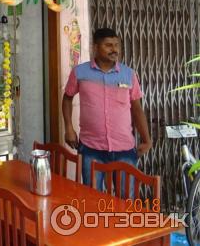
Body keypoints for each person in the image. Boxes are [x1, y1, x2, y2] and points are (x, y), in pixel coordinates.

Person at [62, 27, 152, 190]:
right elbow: (67, 98)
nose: (114, 49)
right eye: (108, 45)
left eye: (116, 45)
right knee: (93, 199)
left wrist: (147, 139)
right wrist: (68, 127)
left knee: (126, 202)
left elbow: (137, 109)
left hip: (124, 149)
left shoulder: (129, 74)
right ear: (95, 47)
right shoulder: (80, 72)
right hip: (91, 148)